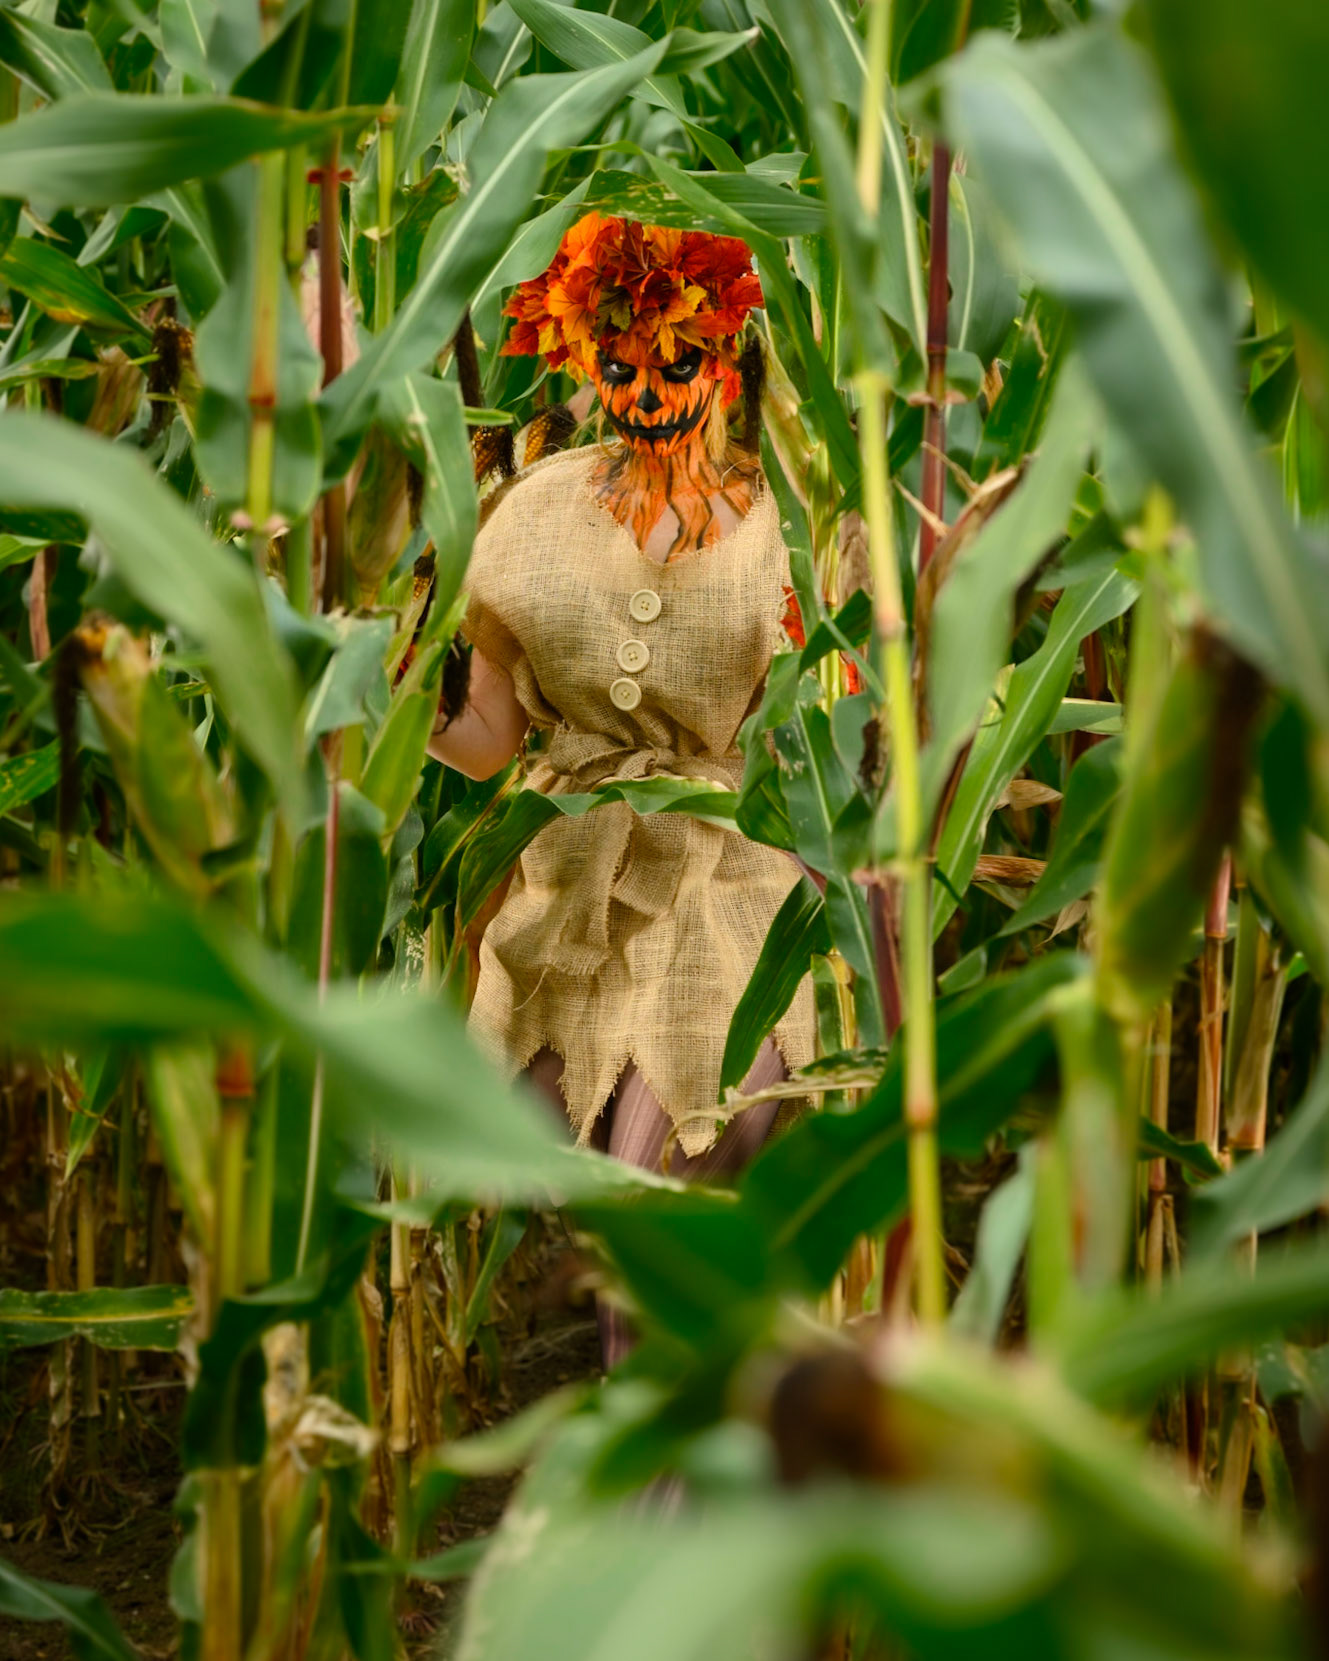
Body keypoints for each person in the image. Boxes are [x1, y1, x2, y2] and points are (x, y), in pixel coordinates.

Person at [427, 213, 814, 1364]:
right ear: (585, 363)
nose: (647, 391)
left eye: (677, 361)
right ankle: (651, 1416)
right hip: (569, 870)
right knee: (596, 1191)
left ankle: (660, 1429)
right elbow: (485, 742)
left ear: (727, 357)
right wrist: (393, 668)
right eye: (621, 365)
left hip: (732, 875)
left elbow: (837, 734)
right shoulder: (535, 510)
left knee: (678, 1161)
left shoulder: (789, 522)